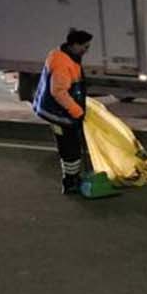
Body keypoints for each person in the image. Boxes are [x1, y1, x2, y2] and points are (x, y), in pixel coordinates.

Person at [32, 29, 91, 194]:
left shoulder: (66, 55)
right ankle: (70, 181)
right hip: (58, 114)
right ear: (74, 45)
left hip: (61, 111)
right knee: (69, 148)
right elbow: (58, 92)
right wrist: (77, 111)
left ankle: (73, 178)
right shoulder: (62, 63)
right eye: (85, 47)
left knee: (71, 147)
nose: (86, 50)